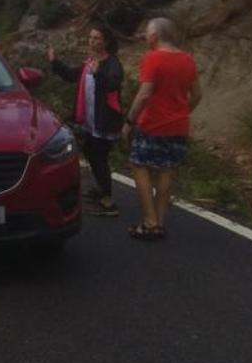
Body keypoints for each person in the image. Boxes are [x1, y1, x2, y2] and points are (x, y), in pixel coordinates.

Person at [122, 17, 201, 241]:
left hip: (153, 125)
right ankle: (159, 222)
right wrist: (182, 112)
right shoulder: (188, 60)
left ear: (155, 36)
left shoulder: (153, 58)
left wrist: (129, 121)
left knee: (139, 165)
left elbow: (145, 94)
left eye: (147, 34)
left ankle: (149, 222)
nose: (146, 38)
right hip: (178, 126)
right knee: (166, 170)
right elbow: (198, 95)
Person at [48, 26, 124, 217]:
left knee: (99, 157)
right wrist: (55, 62)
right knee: (91, 153)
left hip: (105, 122)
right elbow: (71, 75)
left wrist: (98, 73)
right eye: (90, 38)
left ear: (105, 42)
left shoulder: (112, 63)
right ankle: (102, 190)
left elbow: (113, 84)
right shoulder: (89, 62)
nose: (92, 41)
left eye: (97, 38)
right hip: (90, 120)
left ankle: (108, 201)